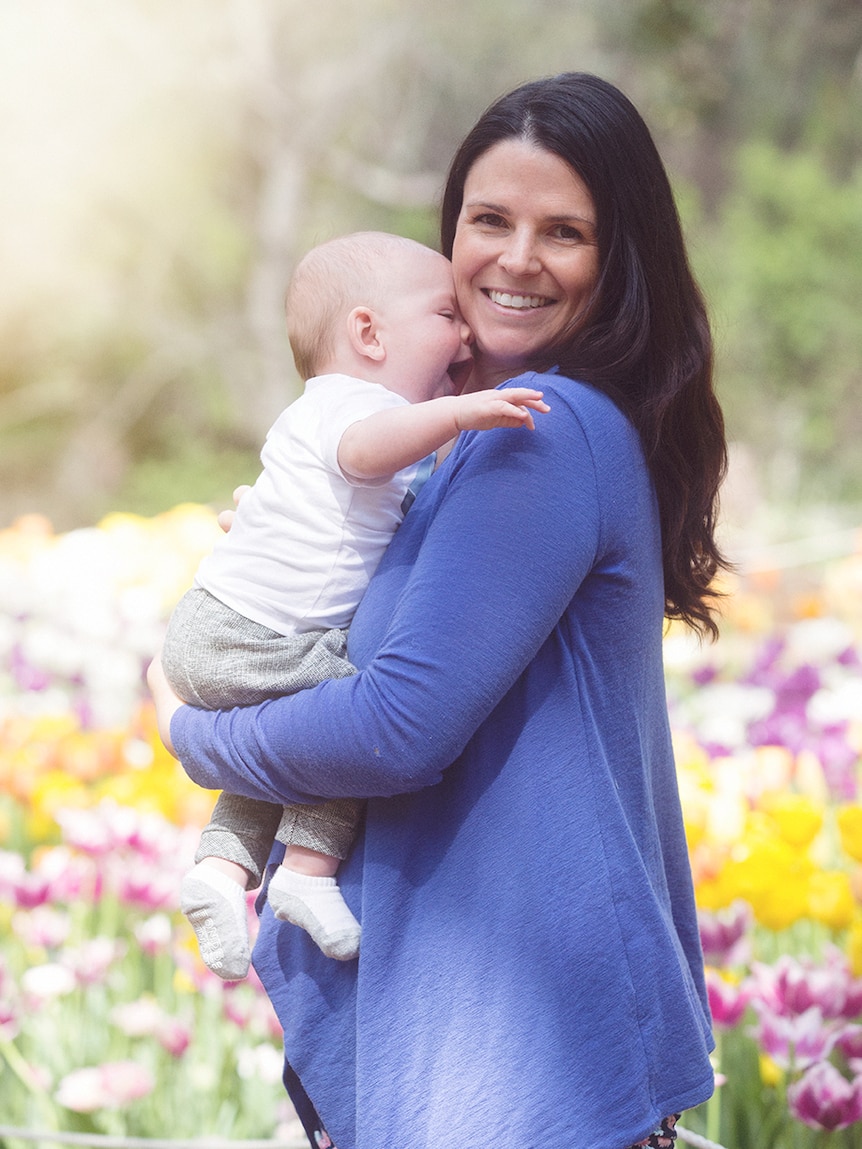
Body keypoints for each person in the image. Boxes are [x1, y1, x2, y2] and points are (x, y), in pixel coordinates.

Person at [149, 72, 729, 1149]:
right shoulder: (465, 440)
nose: (516, 259)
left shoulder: (537, 428)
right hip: (495, 1017)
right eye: (489, 219)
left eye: (566, 232)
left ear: (621, 260)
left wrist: (189, 731)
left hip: (516, 1044)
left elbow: (395, 726)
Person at [160, 230, 549, 978]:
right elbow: (371, 450)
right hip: (246, 634)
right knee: (345, 710)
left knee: (278, 751)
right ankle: (306, 870)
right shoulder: (350, 405)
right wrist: (462, 411)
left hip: (220, 629)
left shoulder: (329, 409)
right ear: (368, 333)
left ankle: (220, 872)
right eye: (446, 315)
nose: (465, 334)